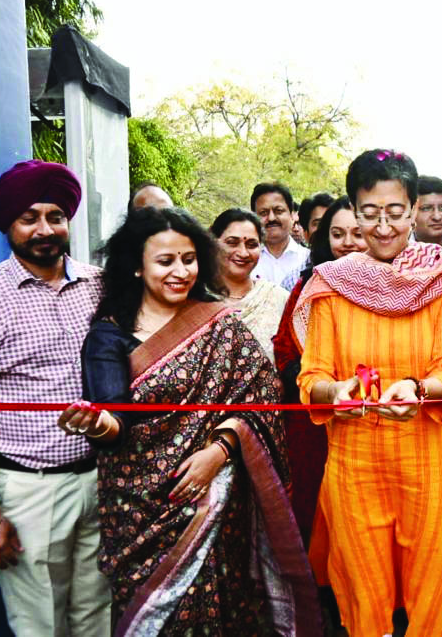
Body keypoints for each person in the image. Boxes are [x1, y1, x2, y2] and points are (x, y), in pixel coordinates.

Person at [59, 206, 319, 636]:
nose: (180, 272)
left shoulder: (220, 324)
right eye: (165, 261)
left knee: (225, 612)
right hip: (141, 510)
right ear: (137, 267)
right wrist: (96, 423)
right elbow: (115, 419)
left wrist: (218, 452)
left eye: (188, 259)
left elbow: (261, 397)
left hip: (218, 504)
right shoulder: (109, 334)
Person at [294, 149, 442, 636]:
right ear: (353, 211)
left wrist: (417, 390)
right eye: (369, 214)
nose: (383, 227)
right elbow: (311, 378)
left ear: (414, 208)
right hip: (355, 465)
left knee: (432, 598)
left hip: (431, 462)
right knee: (364, 599)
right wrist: (335, 391)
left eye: (396, 212)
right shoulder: (331, 284)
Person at [0, 160, 110, 636]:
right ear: (7, 224)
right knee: (40, 626)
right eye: (28, 217)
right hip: (29, 491)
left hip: (101, 480)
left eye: (56, 216)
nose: (44, 229)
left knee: (98, 616)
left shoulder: (100, 286)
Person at [272, 195, 366, 547]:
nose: (348, 243)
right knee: (317, 517)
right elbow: (283, 350)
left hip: (374, 416)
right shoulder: (308, 286)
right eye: (337, 234)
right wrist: (321, 381)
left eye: (357, 233)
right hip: (314, 424)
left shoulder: (395, 288)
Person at [210, 207, 290, 363]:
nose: (243, 253)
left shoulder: (279, 299)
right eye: (232, 243)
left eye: (252, 245)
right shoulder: (197, 300)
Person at [250, 181, 310, 289]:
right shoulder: (245, 260)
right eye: (263, 213)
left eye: (278, 211)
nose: (271, 218)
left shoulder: (308, 260)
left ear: (291, 215)